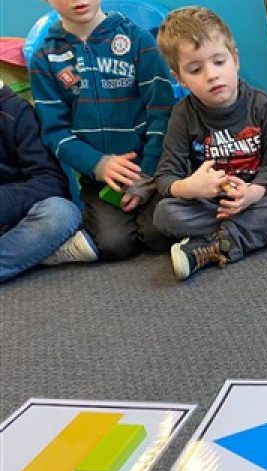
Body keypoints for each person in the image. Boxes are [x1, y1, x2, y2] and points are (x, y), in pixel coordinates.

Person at [154, 7, 267, 281]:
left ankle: (222, 243)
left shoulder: (263, 105)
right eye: (195, 69)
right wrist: (190, 188)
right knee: (164, 213)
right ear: (179, 78)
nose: (212, 75)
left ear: (235, 60)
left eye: (219, 62)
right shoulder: (182, 115)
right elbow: (165, 177)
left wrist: (254, 192)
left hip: (255, 197)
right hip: (212, 206)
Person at [29, 0, 175, 260]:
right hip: (100, 181)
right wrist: (98, 164)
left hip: (152, 169)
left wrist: (147, 174)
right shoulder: (45, 59)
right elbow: (54, 132)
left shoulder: (137, 40)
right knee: (114, 245)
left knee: (159, 235)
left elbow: (162, 112)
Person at [0, 80, 96, 283]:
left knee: (61, 213)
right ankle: (38, 253)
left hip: (16, 218)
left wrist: (5, 201)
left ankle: (26, 252)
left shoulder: (17, 112)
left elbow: (51, 181)